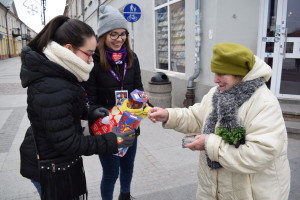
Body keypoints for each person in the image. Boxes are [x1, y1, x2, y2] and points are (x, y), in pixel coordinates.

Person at [148, 43, 290, 200]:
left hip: (251, 193)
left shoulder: (264, 103)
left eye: (222, 74)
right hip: (213, 189)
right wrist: (168, 115)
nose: (215, 79)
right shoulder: (217, 93)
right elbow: (196, 116)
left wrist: (209, 143)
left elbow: (261, 153)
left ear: (239, 74)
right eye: (215, 73)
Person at [19, 15, 136, 200]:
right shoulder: (52, 83)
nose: (91, 61)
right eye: (89, 54)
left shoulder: (59, 72)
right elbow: (68, 143)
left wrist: (89, 112)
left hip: (57, 162)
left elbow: (63, 113)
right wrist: (112, 141)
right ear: (68, 49)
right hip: (50, 166)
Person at [82, 5, 143, 200]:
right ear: (103, 36)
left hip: (128, 123)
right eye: (113, 34)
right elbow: (89, 100)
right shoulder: (94, 62)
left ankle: (125, 195)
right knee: (111, 173)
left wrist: (144, 103)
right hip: (106, 128)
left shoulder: (132, 59)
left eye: (122, 34)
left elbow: (138, 89)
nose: (119, 39)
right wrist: (97, 111)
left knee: (128, 166)